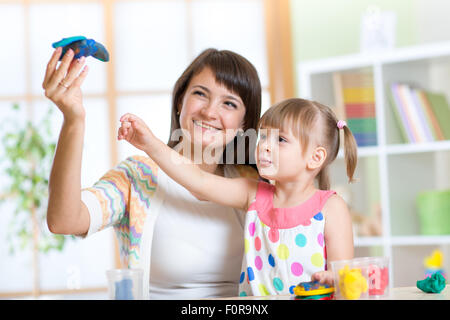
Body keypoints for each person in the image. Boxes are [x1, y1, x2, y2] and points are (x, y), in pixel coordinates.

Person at [43, 47, 262, 299]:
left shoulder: (252, 183)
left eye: (229, 103)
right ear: (181, 101)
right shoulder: (138, 176)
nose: (210, 111)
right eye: (201, 94)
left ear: (244, 123)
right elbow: (64, 221)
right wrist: (74, 119)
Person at [117, 97, 357, 296]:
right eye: (263, 136)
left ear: (315, 158)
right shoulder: (254, 194)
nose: (263, 145)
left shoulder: (331, 208)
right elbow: (199, 182)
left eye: (280, 139)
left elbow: (344, 276)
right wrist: (150, 144)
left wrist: (333, 276)